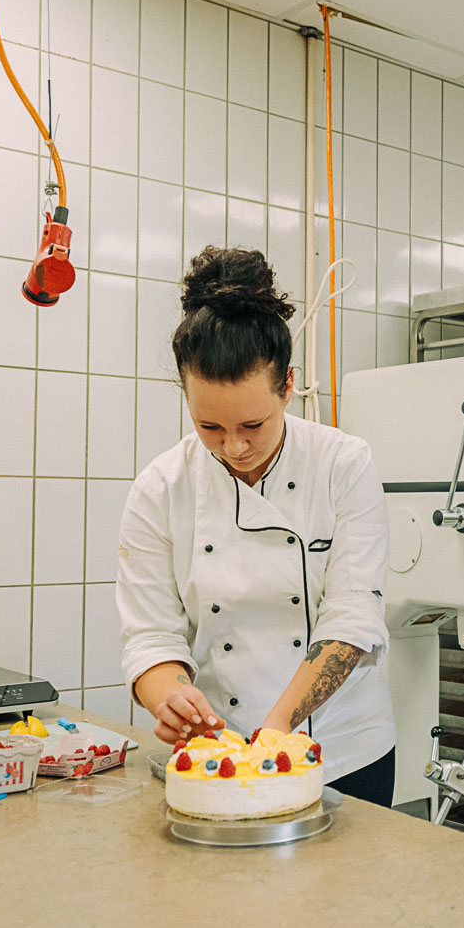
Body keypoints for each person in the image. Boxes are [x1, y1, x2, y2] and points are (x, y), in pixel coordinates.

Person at [117, 245, 397, 805]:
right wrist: (168, 697)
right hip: (220, 749)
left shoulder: (342, 464)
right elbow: (150, 636)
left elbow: (352, 616)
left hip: (341, 751)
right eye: (209, 427)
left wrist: (276, 733)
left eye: (253, 423)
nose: (235, 446)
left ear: (288, 385)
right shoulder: (161, 487)